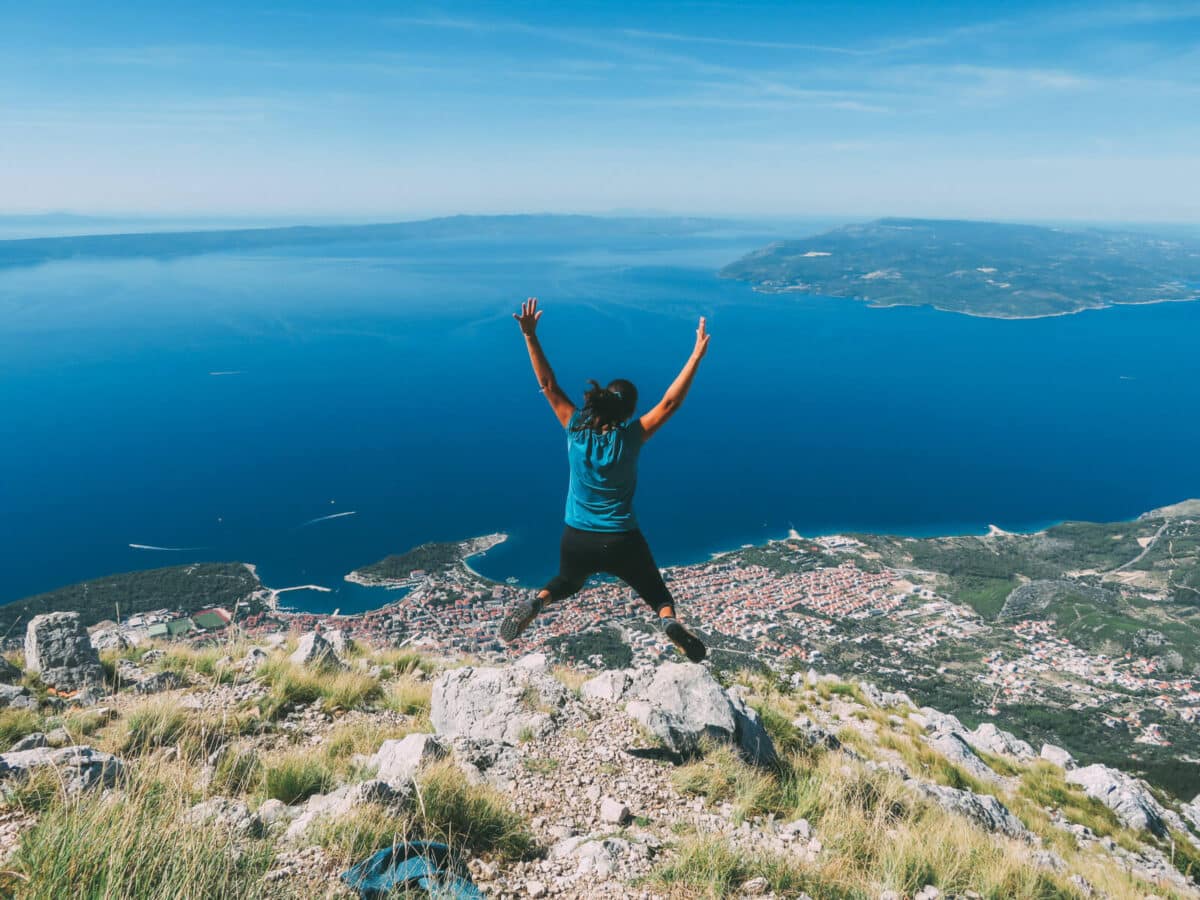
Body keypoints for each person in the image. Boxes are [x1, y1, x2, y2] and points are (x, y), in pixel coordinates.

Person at [498, 297, 709, 663]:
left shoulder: (575, 428)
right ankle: (670, 624)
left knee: (565, 582)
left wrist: (530, 336)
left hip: (577, 536)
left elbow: (548, 384)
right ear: (628, 412)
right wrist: (694, 358)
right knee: (657, 593)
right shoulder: (631, 436)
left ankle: (536, 601)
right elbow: (670, 404)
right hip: (621, 537)